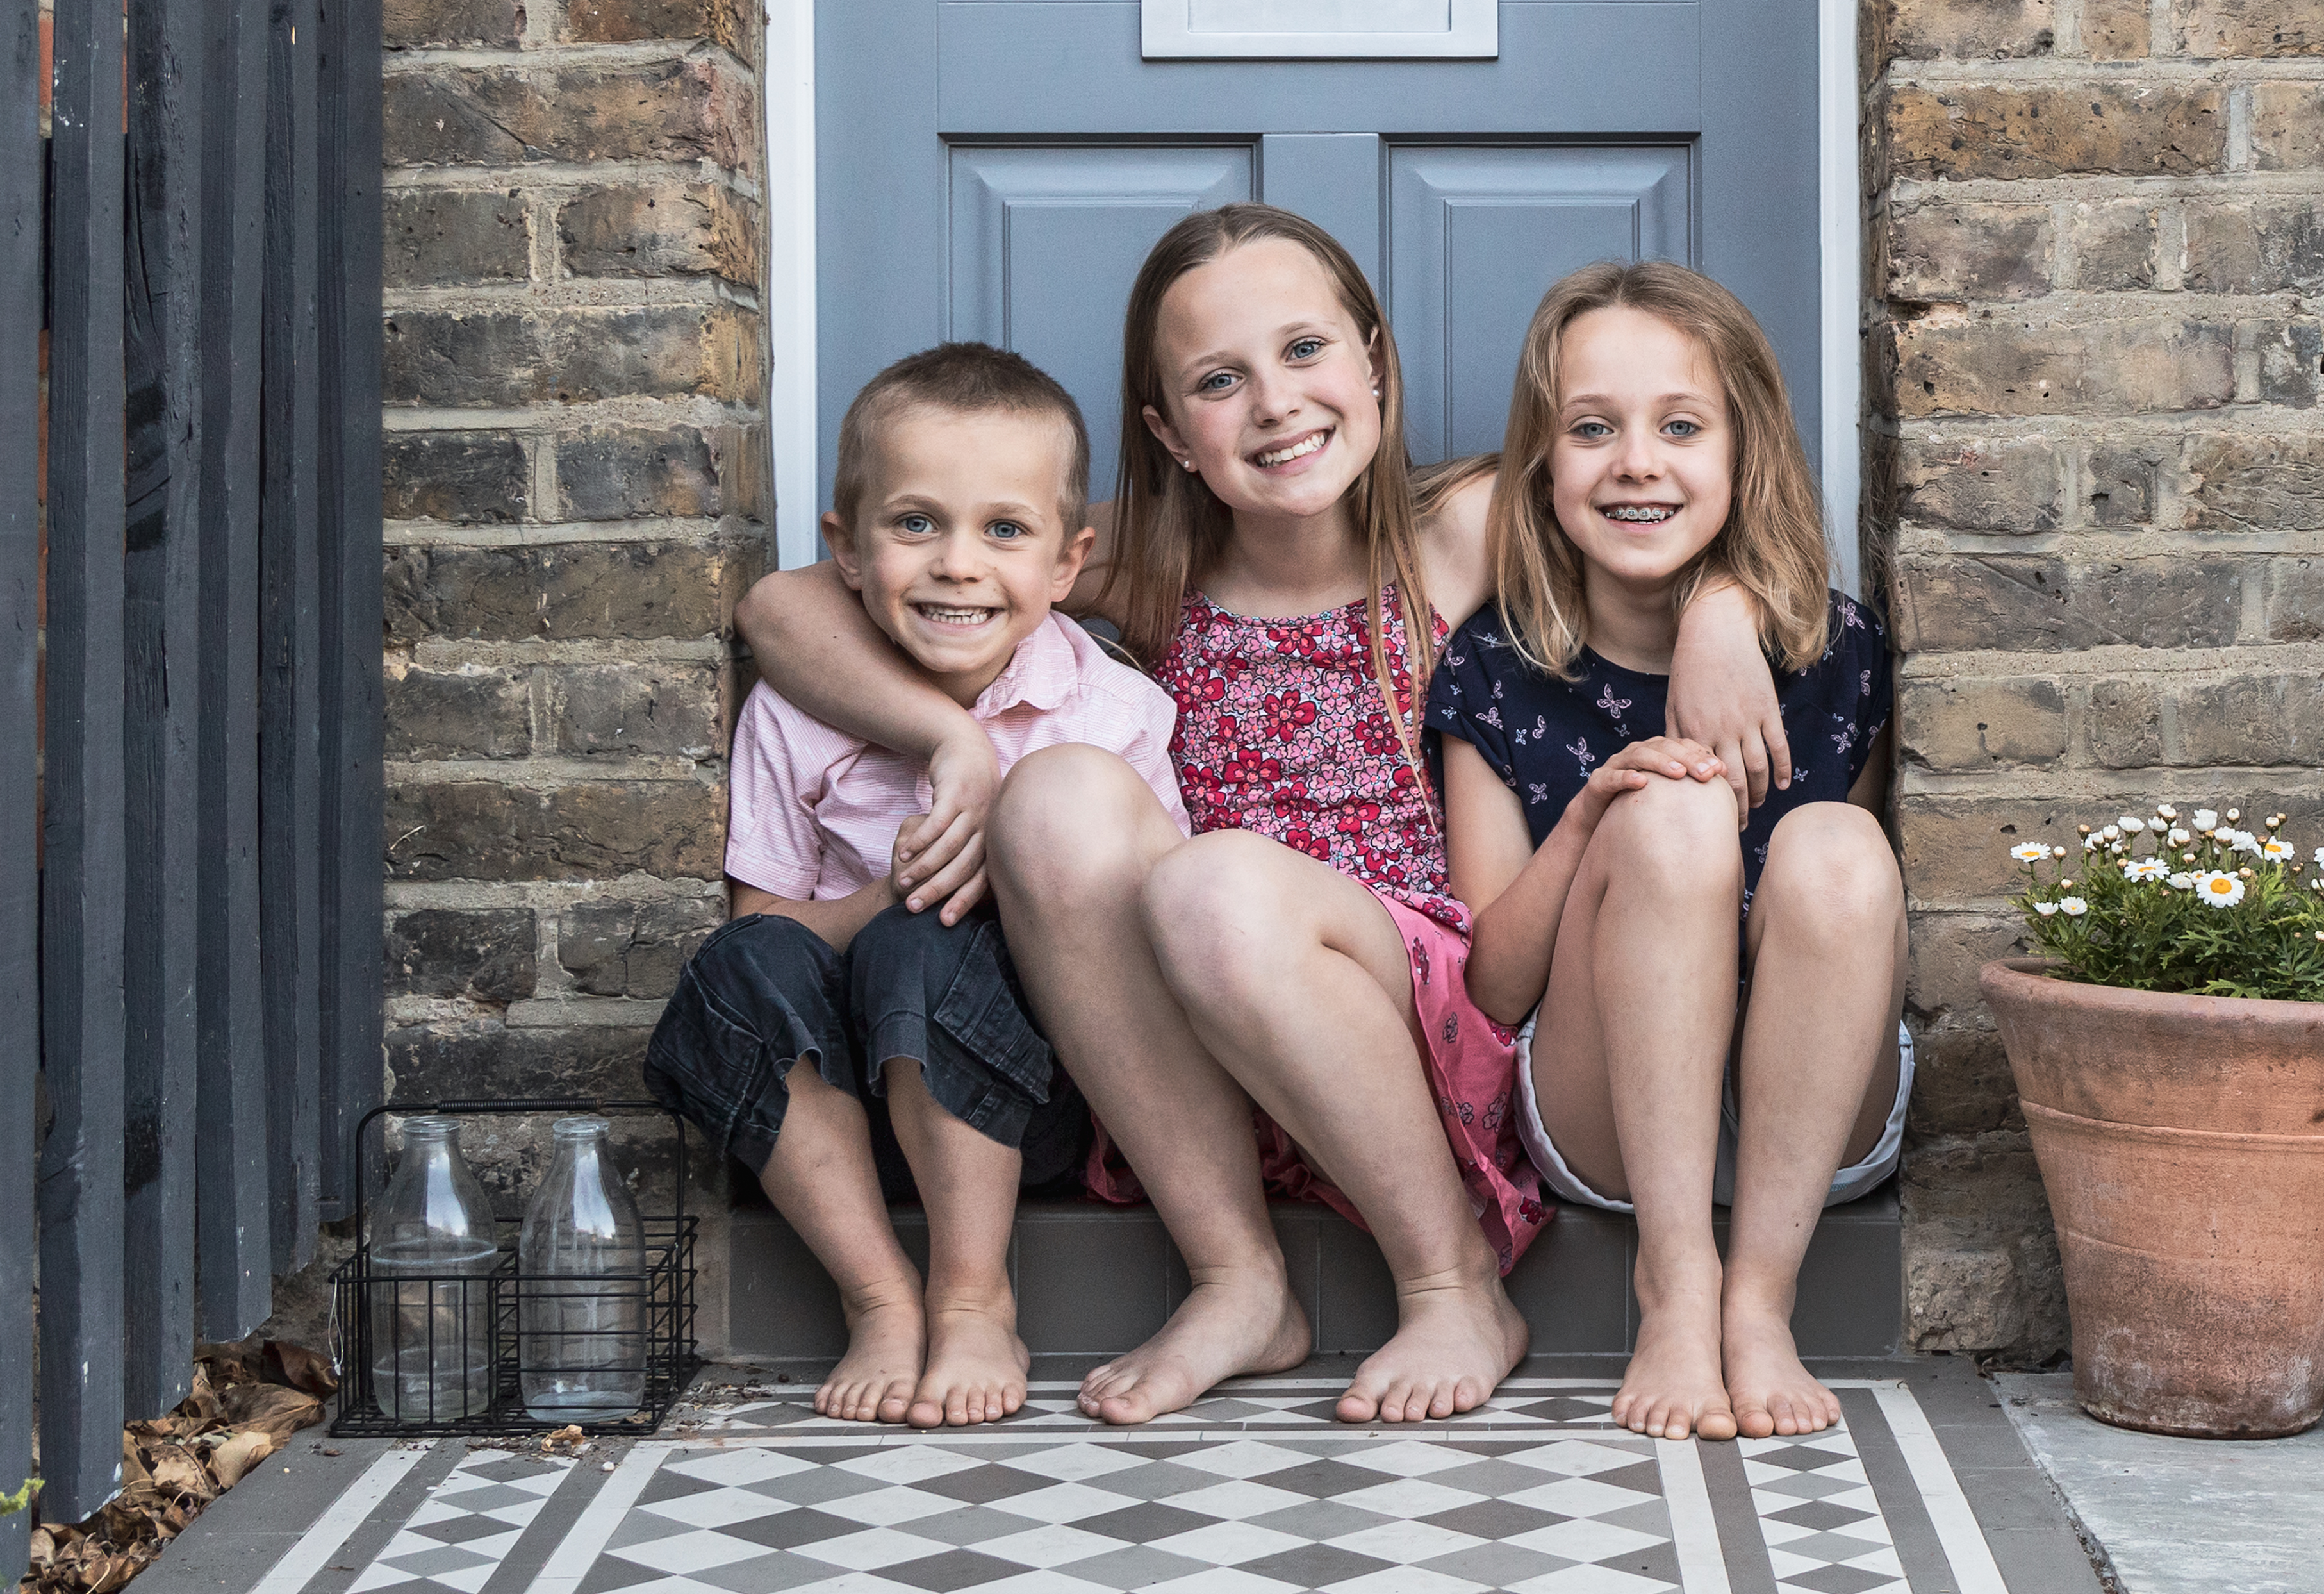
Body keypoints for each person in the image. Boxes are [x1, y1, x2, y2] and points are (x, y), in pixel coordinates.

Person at [730, 206, 1791, 1425]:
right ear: (1169, 435)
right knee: (1060, 795)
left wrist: (1722, 616)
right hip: (1190, 1029)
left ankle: (1449, 1280)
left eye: (1305, 352)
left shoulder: (1456, 534)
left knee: (1217, 885)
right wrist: (948, 737)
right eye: (1220, 382)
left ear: (1375, 364)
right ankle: (1237, 1274)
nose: (1277, 404)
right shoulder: (1139, 567)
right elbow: (780, 610)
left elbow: (1677, 504)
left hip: (1408, 1021)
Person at [644, 343, 1187, 1427]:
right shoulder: (798, 711)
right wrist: (894, 893)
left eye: (1004, 530)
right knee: (742, 965)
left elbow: (1148, 940)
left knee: (928, 943)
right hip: (837, 1111)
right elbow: (767, 930)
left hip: (1029, 1097)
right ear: (845, 550)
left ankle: (976, 1295)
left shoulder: (1108, 711)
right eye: (915, 524)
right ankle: (880, 1296)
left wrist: (988, 895)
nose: (957, 564)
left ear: (1066, 564)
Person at [1433, 262, 1908, 1442]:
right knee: (1673, 810)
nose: (1636, 461)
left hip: (1815, 1113)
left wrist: (1724, 608)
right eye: (1592, 430)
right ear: (1543, 469)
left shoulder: (1838, 654)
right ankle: (1677, 1286)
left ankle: (1759, 1301)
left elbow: (1849, 921)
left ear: (1744, 453)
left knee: (1840, 843)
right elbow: (1490, 987)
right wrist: (1595, 816)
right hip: (1609, 1116)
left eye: (1681, 427)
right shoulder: (1496, 668)